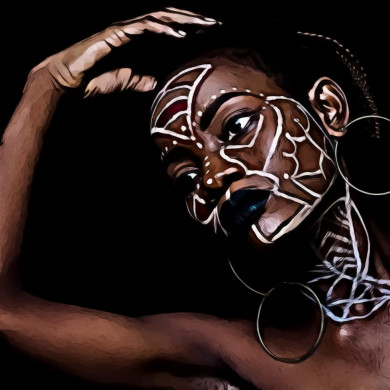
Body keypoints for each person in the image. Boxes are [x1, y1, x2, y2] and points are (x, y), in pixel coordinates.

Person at [0, 7, 389, 389]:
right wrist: (45, 84)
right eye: (186, 176)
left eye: (237, 126)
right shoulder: (236, 359)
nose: (213, 176)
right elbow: (6, 313)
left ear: (328, 108)